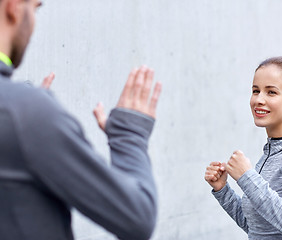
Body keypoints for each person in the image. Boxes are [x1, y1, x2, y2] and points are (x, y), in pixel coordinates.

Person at [0, 0, 162, 239]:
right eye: (35, 7)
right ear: (13, 7)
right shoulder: (26, 114)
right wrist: (129, 135)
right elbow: (137, 216)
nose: (33, 22)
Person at [205, 56, 282, 240]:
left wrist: (247, 177)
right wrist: (222, 189)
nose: (259, 100)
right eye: (256, 91)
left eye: (271, 92)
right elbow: (257, 227)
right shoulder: (271, 153)